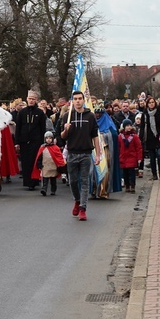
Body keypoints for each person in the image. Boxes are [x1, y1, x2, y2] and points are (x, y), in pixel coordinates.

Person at [60, 90, 101, 221]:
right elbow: (62, 137)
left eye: (80, 98)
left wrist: (98, 154)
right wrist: (66, 129)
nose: (78, 101)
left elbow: (95, 136)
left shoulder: (90, 116)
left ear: (84, 100)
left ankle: (83, 208)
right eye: (75, 99)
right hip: (72, 153)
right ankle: (77, 200)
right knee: (72, 181)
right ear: (72, 101)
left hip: (86, 153)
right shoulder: (67, 115)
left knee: (84, 181)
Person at [14, 90, 47, 191]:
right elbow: (18, 127)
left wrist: (43, 142)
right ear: (27, 99)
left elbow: (43, 128)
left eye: (33, 99)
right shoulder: (22, 113)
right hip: (24, 141)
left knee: (34, 161)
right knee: (26, 161)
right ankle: (27, 181)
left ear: (36, 100)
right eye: (30, 99)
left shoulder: (40, 113)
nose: (31, 101)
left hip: (36, 141)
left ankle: (34, 181)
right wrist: (17, 142)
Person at [139, 96, 160, 181]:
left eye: (153, 102)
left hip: (158, 136)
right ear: (147, 104)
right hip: (149, 137)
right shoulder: (145, 113)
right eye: (150, 103)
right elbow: (142, 126)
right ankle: (154, 174)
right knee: (152, 157)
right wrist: (141, 137)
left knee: (159, 156)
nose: (151, 104)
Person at [32, 130, 65, 195]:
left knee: (53, 180)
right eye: (47, 138)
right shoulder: (42, 147)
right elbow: (39, 157)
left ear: (52, 139)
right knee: (45, 179)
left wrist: (60, 166)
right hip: (45, 166)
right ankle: (44, 189)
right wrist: (39, 165)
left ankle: (53, 190)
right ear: (45, 139)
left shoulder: (55, 148)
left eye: (50, 138)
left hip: (53, 167)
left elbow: (59, 157)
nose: (48, 140)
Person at [118, 119, 142, 193]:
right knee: (125, 173)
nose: (129, 127)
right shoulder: (120, 136)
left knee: (132, 173)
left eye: (130, 126)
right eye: (127, 126)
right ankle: (127, 185)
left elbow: (138, 148)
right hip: (123, 157)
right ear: (124, 127)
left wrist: (139, 158)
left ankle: (132, 186)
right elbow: (118, 147)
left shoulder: (134, 136)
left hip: (132, 157)